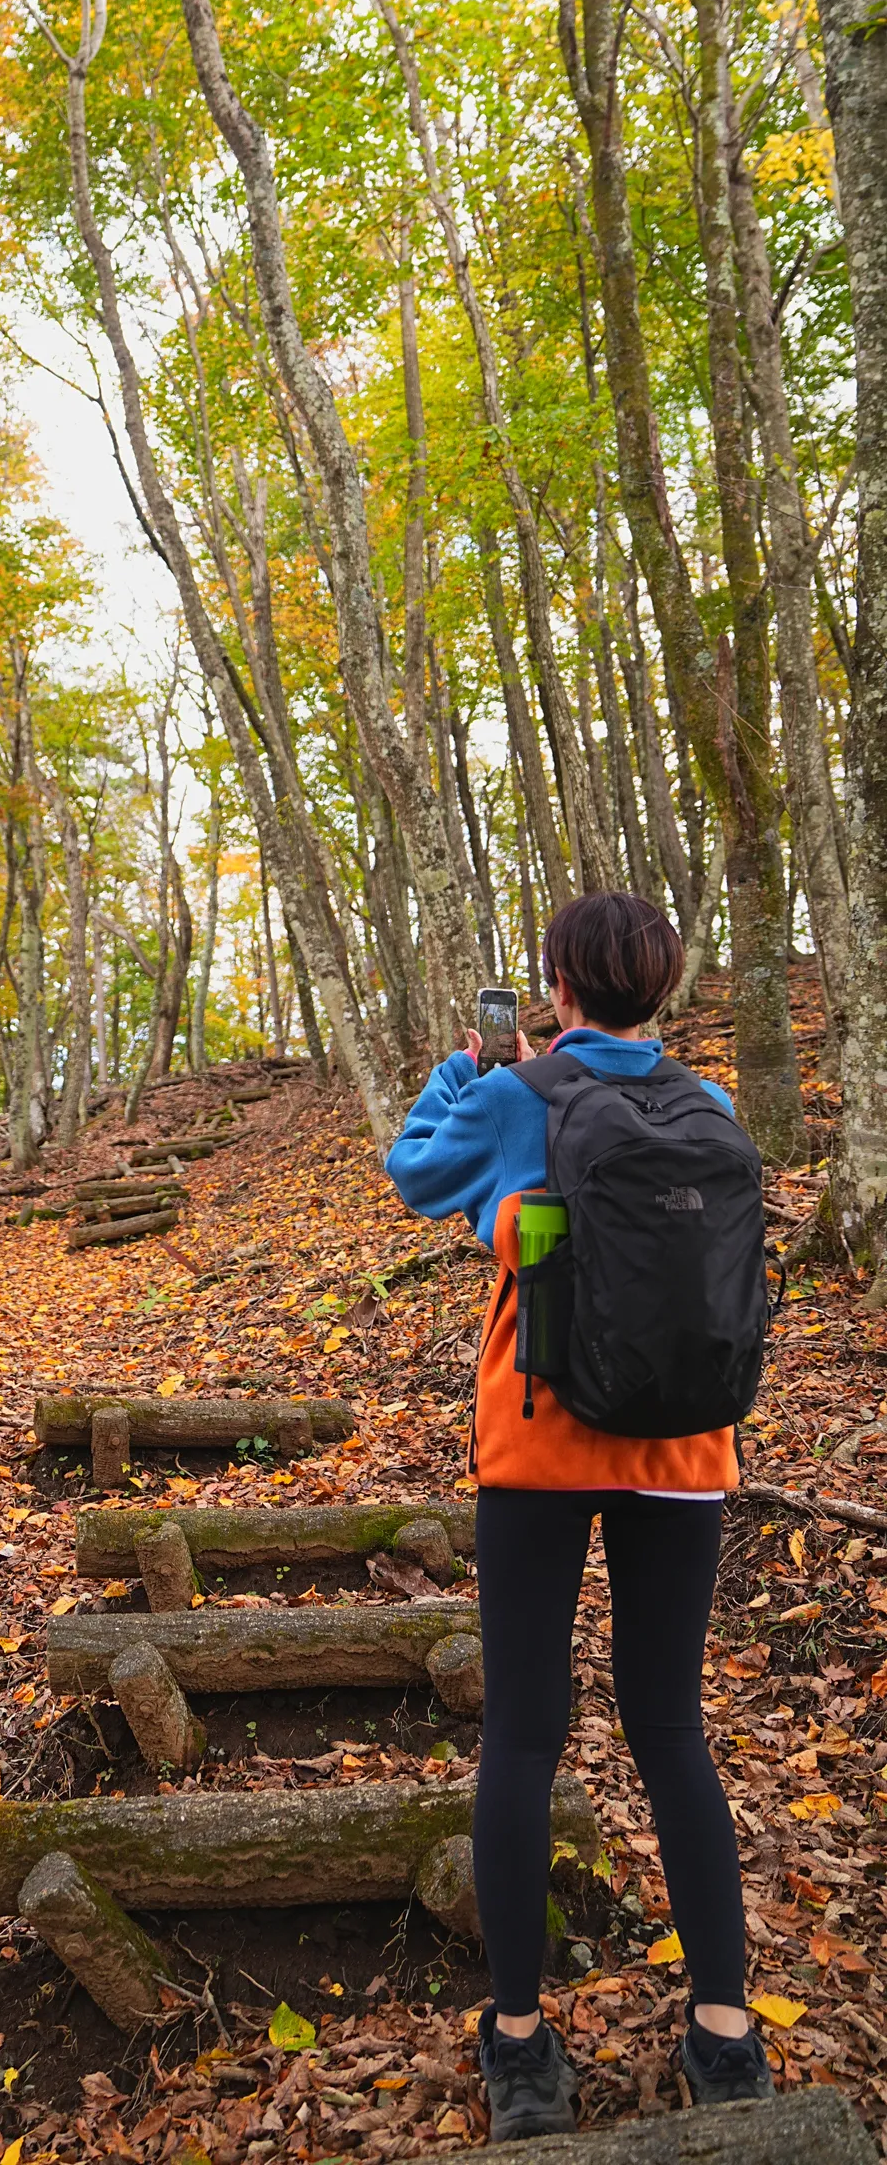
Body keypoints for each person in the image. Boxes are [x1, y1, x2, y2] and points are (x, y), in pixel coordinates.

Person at [385, 890, 772, 2142]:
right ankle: (724, 2032)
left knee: (525, 1737)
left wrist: (460, 1071)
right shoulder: (710, 1108)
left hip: (543, 1446)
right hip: (680, 1449)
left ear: (558, 986)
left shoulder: (518, 1095)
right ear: (660, 988)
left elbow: (410, 1174)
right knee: (672, 1730)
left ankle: (519, 2046)